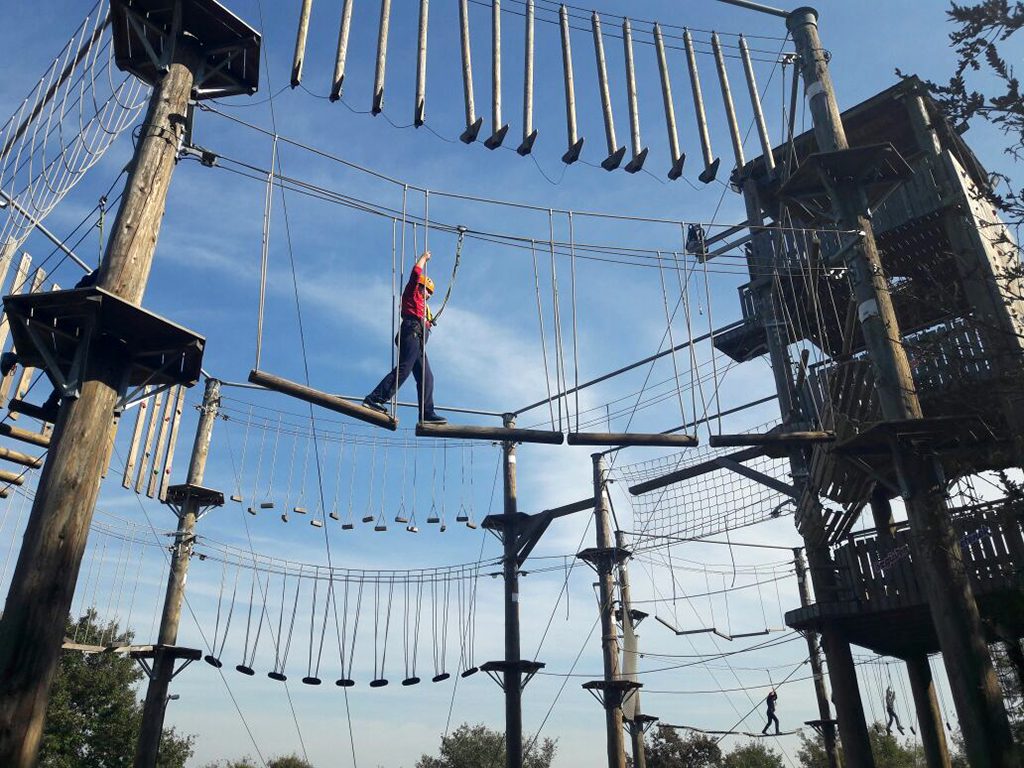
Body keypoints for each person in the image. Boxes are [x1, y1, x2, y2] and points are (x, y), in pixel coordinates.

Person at [363, 251, 447, 424]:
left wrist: (428, 323)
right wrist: (424, 258)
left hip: (418, 340)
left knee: (427, 377)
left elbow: (427, 324)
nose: (429, 295)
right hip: (410, 332)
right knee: (404, 369)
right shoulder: (412, 294)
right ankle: (374, 399)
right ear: (420, 287)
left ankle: (426, 413)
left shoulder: (425, 308)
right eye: (427, 290)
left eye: (431, 293)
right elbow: (415, 274)